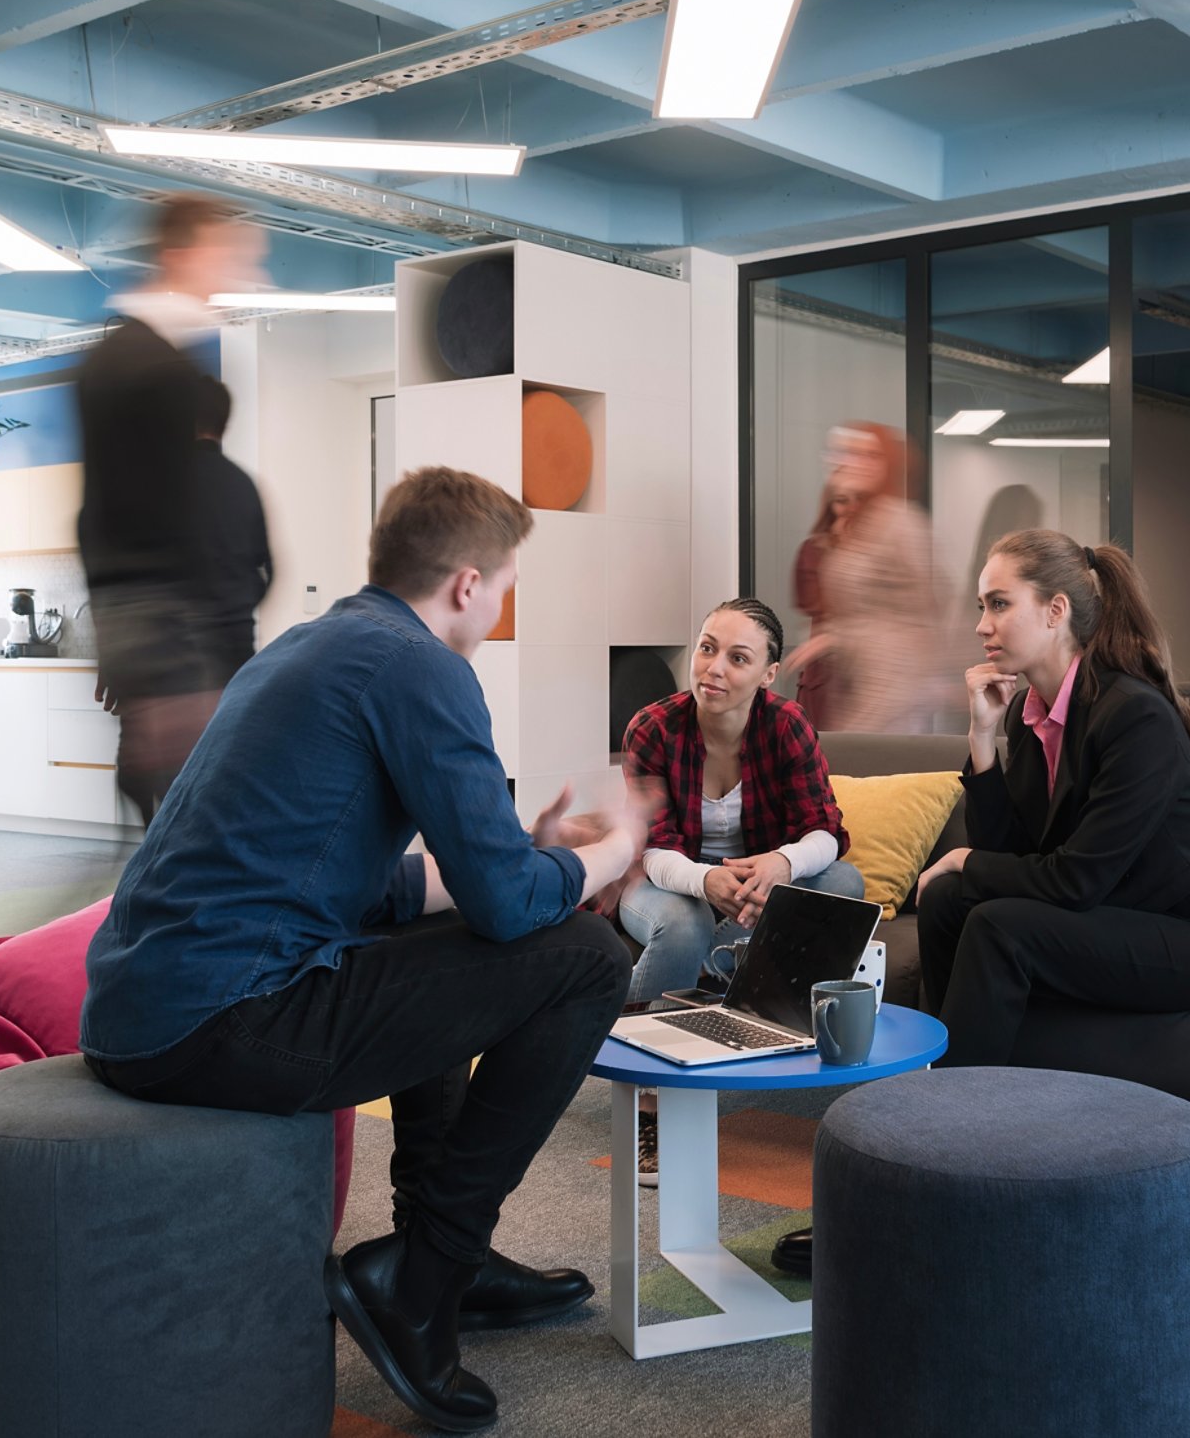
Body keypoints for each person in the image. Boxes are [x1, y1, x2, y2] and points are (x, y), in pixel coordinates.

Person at [81, 467, 644, 1435]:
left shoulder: (313, 648)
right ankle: (423, 1275)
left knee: (444, 921)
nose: (502, 603)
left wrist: (531, 857)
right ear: (466, 584)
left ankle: (436, 1259)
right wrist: (613, 852)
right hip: (223, 1019)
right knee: (586, 959)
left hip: (142, 1009)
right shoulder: (423, 669)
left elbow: (372, 882)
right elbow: (512, 909)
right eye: (505, 582)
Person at [913, 529, 1190, 1067]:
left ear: (1055, 610)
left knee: (997, 926)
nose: (981, 625)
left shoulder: (1134, 714)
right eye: (981, 606)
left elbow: (1075, 880)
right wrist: (982, 743)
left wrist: (966, 859)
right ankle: (936, 1079)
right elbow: (1013, 853)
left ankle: (958, 1113)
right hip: (1122, 911)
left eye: (999, 604)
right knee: (949, 902)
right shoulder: (1028, 711)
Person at [617, 599, 863, 1179]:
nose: (714, 668)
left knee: (843, 883)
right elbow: (650, 846)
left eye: (737, 657)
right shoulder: (652, 726)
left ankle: (761, 1015)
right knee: (684, 922)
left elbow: (828, 831)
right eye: (707, 648)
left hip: (761, 882)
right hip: (664, 878)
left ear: (768, 673)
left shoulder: (788, 725)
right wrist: (705, 880)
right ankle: (651, 1098)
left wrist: (780, 864)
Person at [76, 193, 267, 822]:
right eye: (223, 256)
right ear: (178, 252)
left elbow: (93, 517)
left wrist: (113, 640)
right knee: (200, 804)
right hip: (170, 628)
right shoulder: (161, 370)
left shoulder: (109, 357)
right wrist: (191, 665)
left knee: (176, 805)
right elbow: (166, 526)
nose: (229, 276)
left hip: (138, 621)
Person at [784, 421, 957, 733]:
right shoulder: (858, 525)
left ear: (887, 465)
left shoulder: (902, 523)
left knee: (870, 768)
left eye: (868, 455)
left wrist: (937, 681)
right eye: (845, 452)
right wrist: (832, 637)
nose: (851, 462)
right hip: (855, 679)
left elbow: (934, 604)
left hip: (894, 684)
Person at [189, 375, 273, 686]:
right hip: (237, 651)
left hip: (182, 659)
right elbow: (268, 568)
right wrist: (238, 608)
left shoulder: (166, 483)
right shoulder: (244, 484)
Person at [790, 484, 849, 729]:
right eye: (843, 500)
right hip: (825, 677)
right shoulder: (814, 550)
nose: (852, 509)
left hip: (875, 678)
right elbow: (815, 604)